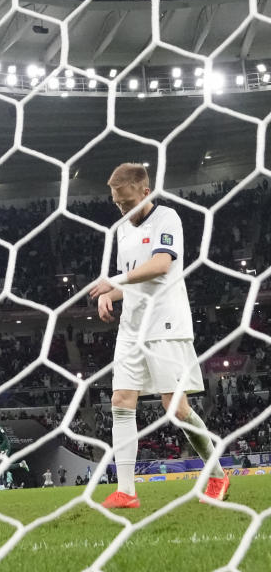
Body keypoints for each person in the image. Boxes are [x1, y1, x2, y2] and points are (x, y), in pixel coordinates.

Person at [89, 163, 228, 509]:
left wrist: (114, 283)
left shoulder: (167, 219)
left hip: (165, 324)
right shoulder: (122, 230)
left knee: (175, 408)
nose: (122, 209)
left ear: (144, 192)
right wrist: (111, 294)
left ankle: (216, 474)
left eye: (126, 202)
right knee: (121, 400)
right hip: (131, 327)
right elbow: (132, 278)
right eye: (117, 203)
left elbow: (160, 265)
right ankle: (126, 491)